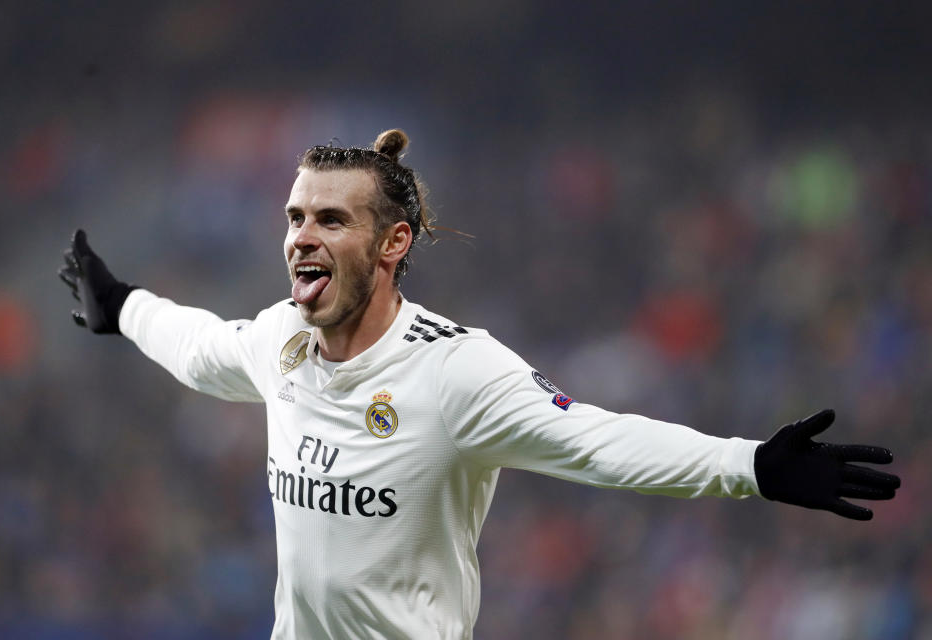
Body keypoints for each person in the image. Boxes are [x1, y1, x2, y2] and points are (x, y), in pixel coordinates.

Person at [58, 129, 900, 640]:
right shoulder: (284, 339)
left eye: (331, 219)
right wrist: (122, 305)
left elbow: (597, 442)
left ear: (392, 245)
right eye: (295, 217)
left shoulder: (457, 371)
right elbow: (205, 346)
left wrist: (751, 466)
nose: (302, 236)